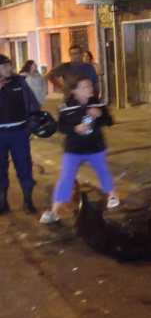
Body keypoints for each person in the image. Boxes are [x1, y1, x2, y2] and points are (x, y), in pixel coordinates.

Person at [39, 76, 119, 224]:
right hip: (74, 149)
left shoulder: (98, 102)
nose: (89, 89)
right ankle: (54, 211)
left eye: (90, 86)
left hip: (95, 147)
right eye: (85, 87)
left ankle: (112, 196)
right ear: (75, 91)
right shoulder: (66, 106)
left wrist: (100, 114)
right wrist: (75, 128)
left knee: (103, 171)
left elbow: (109, 121)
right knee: (66, 178)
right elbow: (61, 127)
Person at [0, 54, 39, 214]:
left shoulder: (19, 82)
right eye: (4, 66)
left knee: (24, 166)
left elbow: (32, 104)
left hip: (19, 133)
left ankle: (28, 200)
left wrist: (32, 126)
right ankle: (2, 202)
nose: (9, 68)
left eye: (9, 65)